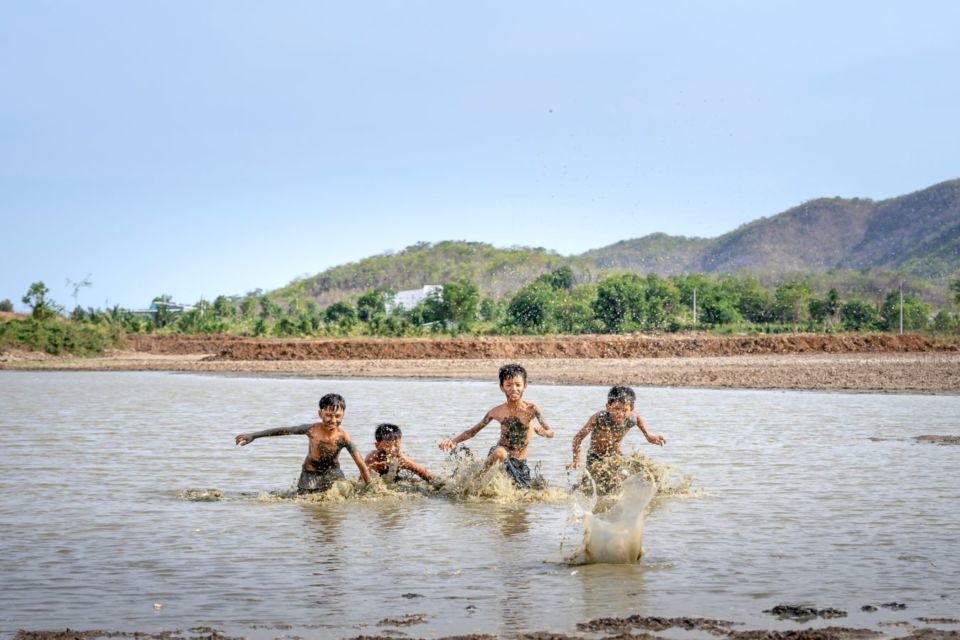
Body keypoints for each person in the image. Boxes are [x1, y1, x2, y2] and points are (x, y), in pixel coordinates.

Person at [438, 363, 554, 489]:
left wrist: (545, 433)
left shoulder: (532, 409)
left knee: (525, 494)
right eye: (509, 385)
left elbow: (550, 432)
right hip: (499, 453)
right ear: (502, 387)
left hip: (520, 463)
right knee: (500, 453)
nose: (514, 389)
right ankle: (476, 479)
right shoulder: (496, 411)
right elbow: (472, 432)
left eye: (518, 385)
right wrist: (453, 441)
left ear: (525, 386)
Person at [235, 393, 372, 493]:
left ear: (343, 415)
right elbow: (283, 431)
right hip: (310, 473)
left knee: (343, 491)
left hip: (333, 472)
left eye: (337, 416)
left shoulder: (344, 437)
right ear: (320, 414)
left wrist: (371, 486)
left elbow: (361, 464)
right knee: (305, 500)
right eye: (329, 415)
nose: (333, 420)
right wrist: (253, 435)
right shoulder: (312, 430)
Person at [568, 385, 666, 492]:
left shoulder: (631, 418)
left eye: (625, 410)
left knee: (625, 474)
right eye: (617, 409)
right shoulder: (599, 418)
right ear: (608, 407)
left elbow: (637, 417)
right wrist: (576, 458)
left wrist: (648, 435)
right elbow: (578, 438)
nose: (620, 413)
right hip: (595, 457)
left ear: (631, 409)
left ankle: (647, 489)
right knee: (588, 487)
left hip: (616, 455)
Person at [365, 423, 435, 484]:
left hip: (396, 479)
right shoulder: (372, 459)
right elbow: (362, 480)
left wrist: (437, 486)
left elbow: (424, 473)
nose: (392, 449)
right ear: (377, 446)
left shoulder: (402, 459)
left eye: (396, 445)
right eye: (387, 445)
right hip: (379, 479)